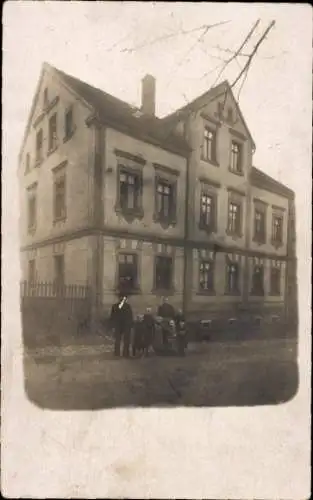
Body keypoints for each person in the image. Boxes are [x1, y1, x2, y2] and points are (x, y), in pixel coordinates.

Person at [109, 293, 133, 358]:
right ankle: (122, 353)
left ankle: (120, 353)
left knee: (122, 340)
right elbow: (112, 317)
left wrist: (113, 326)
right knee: (120, 340)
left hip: (123, 325)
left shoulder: (117, 306)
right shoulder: (126, 306)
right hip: (121, 325)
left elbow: (112, 317)